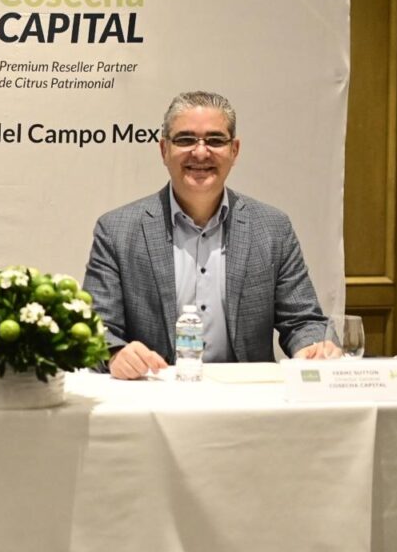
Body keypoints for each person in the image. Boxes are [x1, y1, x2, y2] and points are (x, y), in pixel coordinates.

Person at [83, 91, 335, 380]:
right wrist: (116, 353)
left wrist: (312, 348)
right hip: (154, 392)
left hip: (247, 396)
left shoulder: (272, 228)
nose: (201, 153)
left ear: (234, 150)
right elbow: (96, 331)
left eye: (215, 140)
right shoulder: (117, 230)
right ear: (164, 149)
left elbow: (303, 321)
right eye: (185, 139)